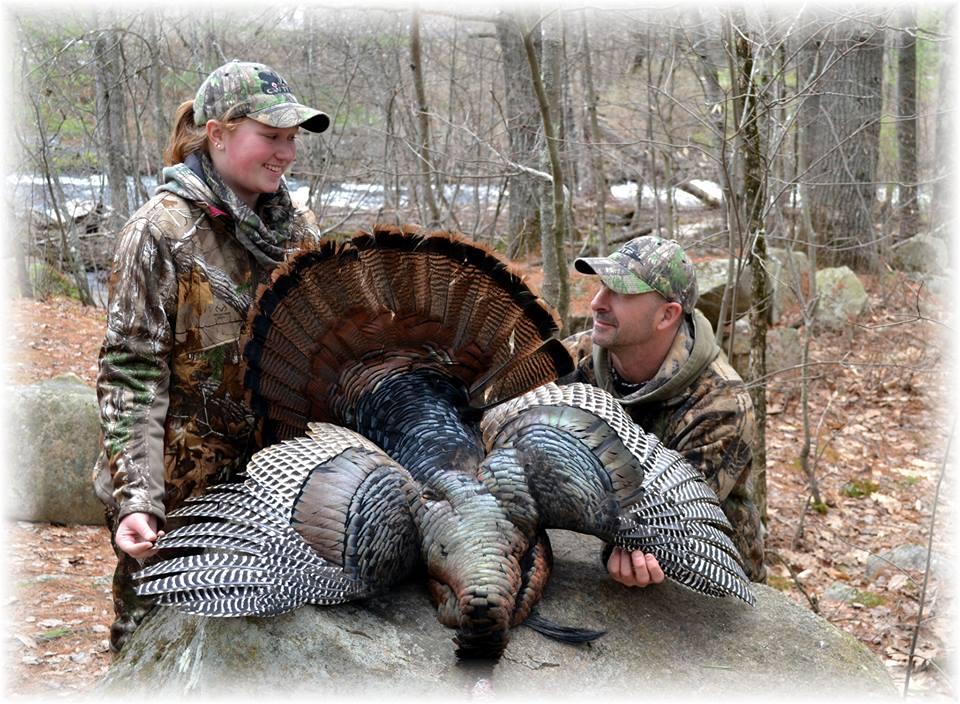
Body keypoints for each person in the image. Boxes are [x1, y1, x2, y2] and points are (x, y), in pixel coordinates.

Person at [92, 60, 330, 652]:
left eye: (292, 138)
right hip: (181, 498)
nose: (286, 152)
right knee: (153, 651)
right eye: (271, 137)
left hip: (273, 494)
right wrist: (137, 502)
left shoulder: (297, 228)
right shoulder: (159, 230)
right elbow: (130, 374)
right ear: (218, 134)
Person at [561, 235, 767, 587]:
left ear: (667, 315)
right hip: (595, 543)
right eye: (601, 286)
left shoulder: (721, 406)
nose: (597, 303)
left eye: (620, 292)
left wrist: (621, 543)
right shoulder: (577, 357)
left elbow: (671, 523)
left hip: (705, 577)